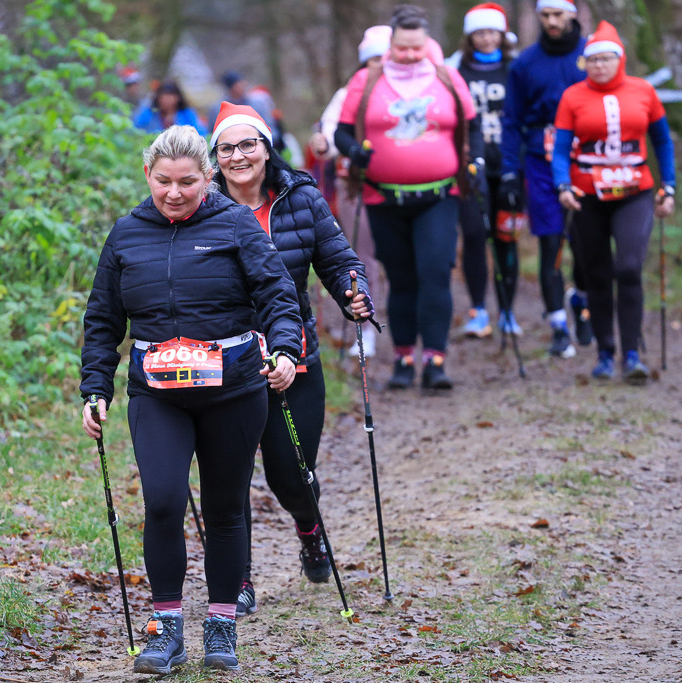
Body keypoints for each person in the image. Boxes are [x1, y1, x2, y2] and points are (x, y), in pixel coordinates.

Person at [80, 126, 302, 674]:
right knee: (161, 500)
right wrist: (94, 387)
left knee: (225, 507)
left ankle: (222, 624)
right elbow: (104, 319)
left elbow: (277, 295)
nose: (174, 193)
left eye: (187, 182)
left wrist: (284, 351)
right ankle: (167, 628)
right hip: (158, 394)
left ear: (209, 177)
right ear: (148, 178)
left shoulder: (234, 225)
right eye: (163, 182)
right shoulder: (127, 234)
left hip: (233, 390)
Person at [209, 102, 373, 617]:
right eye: (227, 148)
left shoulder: (300, 197)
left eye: (248, 145)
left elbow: (339, 260)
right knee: (229, 476)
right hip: (225, 361)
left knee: (291, 474)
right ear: (214, 158)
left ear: (266, 146)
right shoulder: (199, 204)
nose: (239, 156)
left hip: (292, 357)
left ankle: (310, 529)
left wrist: (354, 294)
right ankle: (237, 579)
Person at [335, 4, 482, 390]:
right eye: (403, 48)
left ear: (427, 42)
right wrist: (355, 153)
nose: (411, 55)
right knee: (401, 280)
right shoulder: (368, 80)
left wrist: (477, 162)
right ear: (391, 44)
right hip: (384, 198)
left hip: (439, 195)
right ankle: (403, 359)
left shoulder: (447, 77)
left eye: (417, 47)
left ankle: (435, 361)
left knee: (434, 274)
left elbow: (473, 125)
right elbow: (342, 133)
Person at [552, 21, 676, 383]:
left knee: (628, 268)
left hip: (634, 192)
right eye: (592, 60)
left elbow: (663, 142)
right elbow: (560, 150)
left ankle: (632, 353)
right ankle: (605, 352)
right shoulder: (572, 97)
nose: (599, 66)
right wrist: (562, 185)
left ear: (619, 60)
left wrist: (669, 186)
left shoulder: (644, 91)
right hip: (587, 196)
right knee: (597, 273)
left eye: (606, 59)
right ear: (585, 64)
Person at [498, 0, 593, 358]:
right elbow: (512, 121)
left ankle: (581, 303)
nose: (552, 22)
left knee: (586, 245)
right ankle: (558, 326)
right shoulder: (525, 63)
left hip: (585, 162)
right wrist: (510, 170)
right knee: (550, 245)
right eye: (545, 15)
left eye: (558, 14)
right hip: (540, 162)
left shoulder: (592, 55)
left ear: (572, 13)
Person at [309, 25, 392, 358]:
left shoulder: (409, 91)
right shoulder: (347, 94)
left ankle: (409, 331)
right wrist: (323, 143)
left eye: (384, 58)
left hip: (400, 186)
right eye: (372, 59)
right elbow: (328, 133)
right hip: (354, 184)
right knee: (362, 256)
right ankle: (366, 325)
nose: (379, 65)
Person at [455, 3, 522, 338]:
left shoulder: (516, 68)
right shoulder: (456, 69)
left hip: (510, 167)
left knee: (507, 239)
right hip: (470, 170)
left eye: (491, 32)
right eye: (479, 33)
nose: (485, 39)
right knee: (474, 236)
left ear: (502, 34)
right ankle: (478, 310)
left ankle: (508, 310)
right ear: (470, 36)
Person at [133, 80, 207, 135]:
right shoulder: (150, 113)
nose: (166, 100)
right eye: (163, 96)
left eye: (170, 96)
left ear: (178, 98)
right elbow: (135, 129)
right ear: (158, 98)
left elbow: (200, 134)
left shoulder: (187, 114)